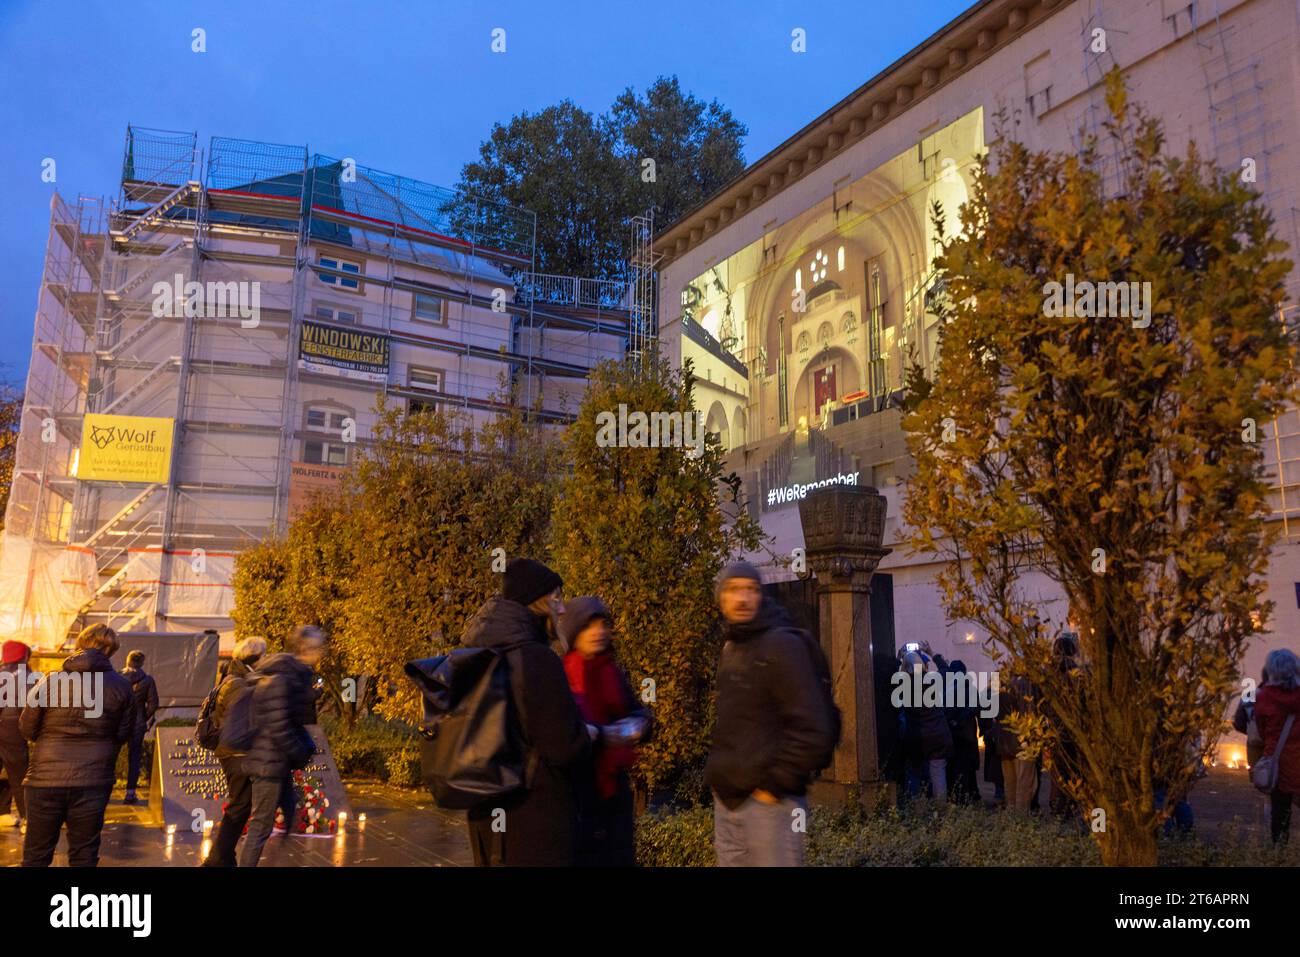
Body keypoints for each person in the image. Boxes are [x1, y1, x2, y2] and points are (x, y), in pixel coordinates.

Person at [462, 557, 594, 866]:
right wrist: (591, 733)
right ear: (537, 603)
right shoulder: (536, 658)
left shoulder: (477, 653)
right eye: (557, 598)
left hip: (486, 813)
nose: (563, 609)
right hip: (534, 819)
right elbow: (564, 748)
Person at [706, 561, 835, 867]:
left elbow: (815, 729)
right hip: (728, 801)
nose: (742, 598)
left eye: (750, 590)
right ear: (721, 598)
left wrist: (773, 787)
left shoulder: (781, 644)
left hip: (772, 805)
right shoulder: (731, 647)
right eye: (734, 590)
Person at [20, 624, 137, 867]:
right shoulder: (122, 685)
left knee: (36, 855)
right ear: (111, 650)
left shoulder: (50, 681)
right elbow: (124, 733)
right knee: (84, 854)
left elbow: (27, 728)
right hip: (94, 780)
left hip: (44, 779)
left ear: (80, 644)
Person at [560, 597, 650, 867]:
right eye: (590, 626)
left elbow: (638, 712)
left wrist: (639, 725)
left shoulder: (611, 670)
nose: (599, 632)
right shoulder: (562, 677)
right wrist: (603, 734)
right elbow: (567, 734)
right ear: (575, 631)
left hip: (615, 796)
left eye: (602, 624)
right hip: (580, 797)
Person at [237, 627, 323, 866]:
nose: (319, 652)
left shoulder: (292, 675)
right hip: (269, 763)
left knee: (287, 814)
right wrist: (299, 751)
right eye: (316, 646)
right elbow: (279, 726)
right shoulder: (279, 678)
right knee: (260, 826)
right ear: (304, 647)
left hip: (277, 761)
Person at [201, 636, 267, 867]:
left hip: (233, 752)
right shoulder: (238, 684)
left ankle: (223, 858)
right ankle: (216, 859)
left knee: (240, 806)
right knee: (240, 807)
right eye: (264, 655)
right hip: (236, 753)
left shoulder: (234, 679)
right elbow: (243, 721)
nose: (266, 659)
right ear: (254, 658)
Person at [896, 645, 952, 805]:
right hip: (936, 734)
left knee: (914, 773)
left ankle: (916, 810)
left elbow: (891, 675)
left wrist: (899, 658)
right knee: (938, 773)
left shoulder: (902, 685)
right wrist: (932, 653)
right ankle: (941, 812)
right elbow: (947, 672)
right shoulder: (933, 680)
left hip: (915, 735)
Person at [1255, 648, 1300, 844]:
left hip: (1278, 764)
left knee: (1280, 816)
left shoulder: (1264, 697)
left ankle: (1279, 856)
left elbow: (1261, 730)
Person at [938, 656, 980, 803]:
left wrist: (954, 722)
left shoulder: (947, 690)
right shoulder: (970, 688)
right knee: (966, 769)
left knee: (956, 769)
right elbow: (975, 708)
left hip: (953, 736)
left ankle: (960, 798)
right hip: (966, 736)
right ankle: (970, 796)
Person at [119, 650, 158, 805]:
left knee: (111, 755)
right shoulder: (147, 680)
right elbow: (154, 704)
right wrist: (143, 717)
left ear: (127, 661)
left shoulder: (117, 676)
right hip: (137, 723)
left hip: (118, 722)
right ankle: (130, 793)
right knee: (134, 757)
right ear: (141, 662)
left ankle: (105, 790)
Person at [0, 641, 32, 827]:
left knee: (4, 771)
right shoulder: (25, 675)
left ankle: (3, 812)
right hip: (12, 730)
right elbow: (31, 708)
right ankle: (27, 817)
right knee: (20, 773)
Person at [996, 672, 1037, 812]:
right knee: (1024, 781)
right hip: (1021, 739)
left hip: (1004, 739)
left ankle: (1011, 813)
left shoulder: (1002, 682)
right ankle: (1021, 817)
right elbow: (1029, 712)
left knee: (1010, 781)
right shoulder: (1027, 685)